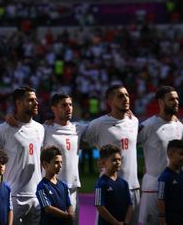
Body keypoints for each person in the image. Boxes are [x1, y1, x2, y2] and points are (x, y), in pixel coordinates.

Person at [83, 85, 140, 224]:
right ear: (110, 101)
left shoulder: (134, 121)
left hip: (133, 186)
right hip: (109, 188)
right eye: (120, 96)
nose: (126, 98)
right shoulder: (99, 124)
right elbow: (79, 142)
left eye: (127, 95)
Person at [0, 86, 44, 224]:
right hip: (13, 196)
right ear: (18, 103)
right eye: (30, 100)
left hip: (36, 196)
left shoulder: (40, 129)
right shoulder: (3, 130)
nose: (36, 103)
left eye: (36, 99)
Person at [138, 86, 183, 225]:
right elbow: (128, 147)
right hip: (153, 187)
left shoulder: (179, 126)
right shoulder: (148, 126)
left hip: (174, 187)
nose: (176, 102)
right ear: (160, 102)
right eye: (171, 99)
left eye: (177, 98)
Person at [43, 93, 87, 225]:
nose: (69, 108)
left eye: (70, 104)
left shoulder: (79, 128)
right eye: (64, 105)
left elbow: (102, 125)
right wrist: (9, 117)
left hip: (72, 188)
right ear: (54, 109)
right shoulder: (44, 129)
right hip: (51, 188)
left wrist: (125, 114)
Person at [95, 144, 133, 225]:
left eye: (119, 159)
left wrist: (126, 222)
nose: (118, 162)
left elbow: (130, 204)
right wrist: (115, 223)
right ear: (103, 163)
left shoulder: (124, 183)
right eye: (114, 160)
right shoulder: (101, 184)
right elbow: (99, 206)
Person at [36, 146, 75, 225]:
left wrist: (70, 214)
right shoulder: (41, 187)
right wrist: (67, 215)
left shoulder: (64, 185)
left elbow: (69, 204)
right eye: (56, 162)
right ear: (45, 164)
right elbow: (48, 208)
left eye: (61, 162)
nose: (60, 165)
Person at [157, 139, 183, 225]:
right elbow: (160, 200)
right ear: (170, 154)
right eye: (181, 154)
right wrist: (162, 220)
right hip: (173, 220)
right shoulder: (164, 177)